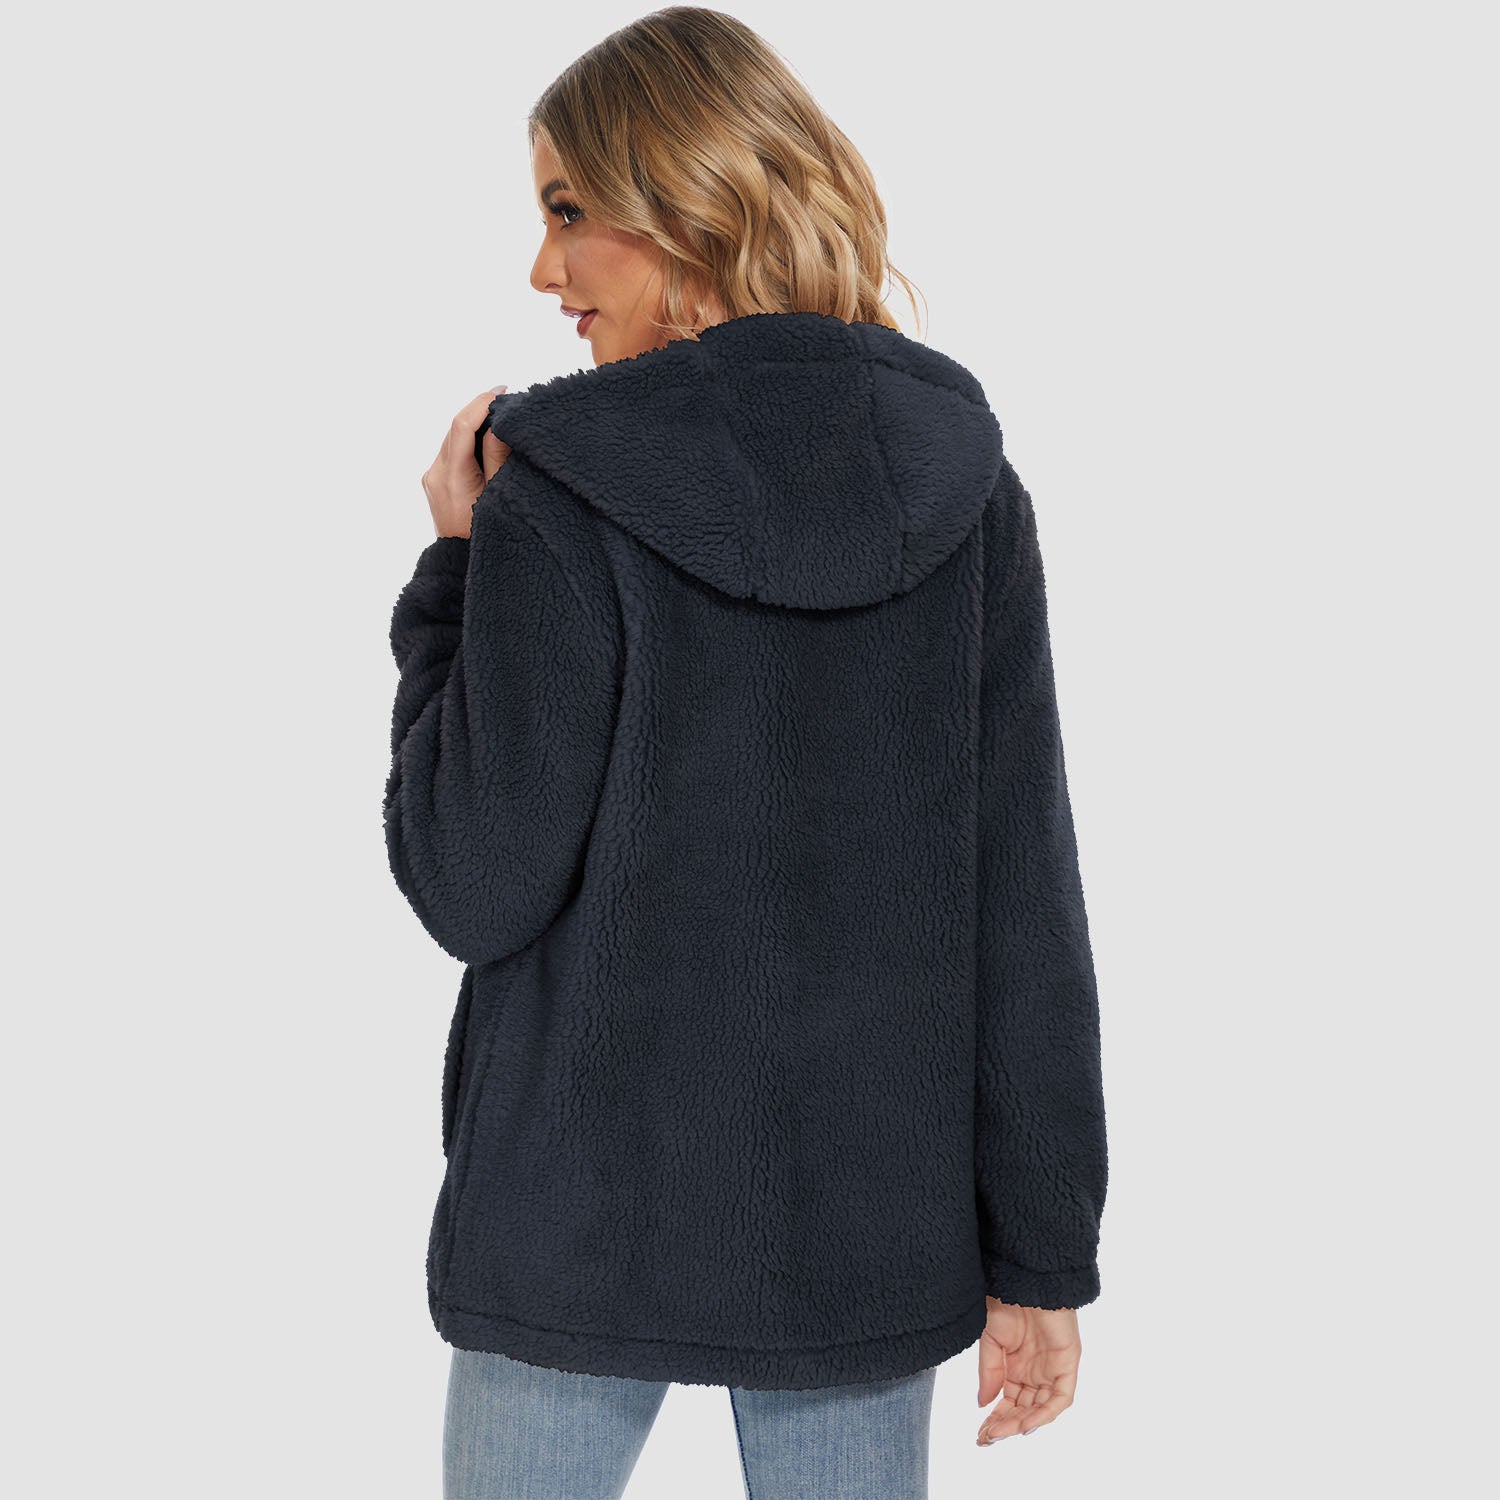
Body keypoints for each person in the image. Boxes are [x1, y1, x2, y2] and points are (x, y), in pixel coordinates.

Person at [382, 9, 1109, 1498]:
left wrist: (455, 569)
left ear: (687, 203)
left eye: (568, 211)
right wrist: (1042, 1253)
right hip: (862, 1234)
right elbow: (1022, 900)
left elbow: (472, 881)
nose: (542, 271)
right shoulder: (967, 491)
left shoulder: (559, 492)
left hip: (574, 1225)